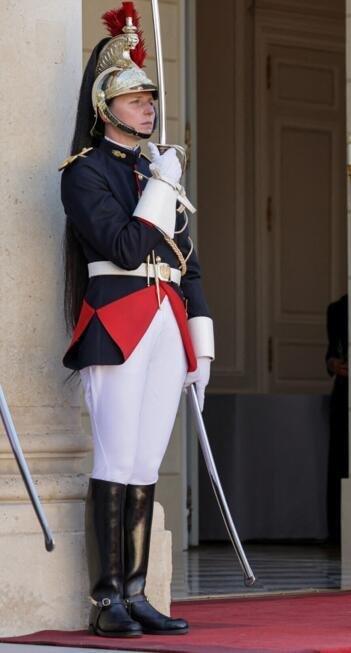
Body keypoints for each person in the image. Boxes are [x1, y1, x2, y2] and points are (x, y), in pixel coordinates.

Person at [61, 2, 212, 638]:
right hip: (118, 320)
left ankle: (138, 592)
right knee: (116, 456)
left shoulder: (156, 169)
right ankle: (106, 601)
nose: (147, 108)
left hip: (166, 322)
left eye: (150, 99)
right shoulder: (85, 174)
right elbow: (123, 248)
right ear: (105, 107)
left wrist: (201, 346)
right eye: (134, 99)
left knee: (148, 463)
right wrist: (162, 183)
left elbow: (191, 264)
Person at [324, 294, 348, 546]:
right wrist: (333, 364)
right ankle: (334, 532)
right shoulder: (338, 308)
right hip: (342, 392)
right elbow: (331, 352)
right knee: (337, 460)